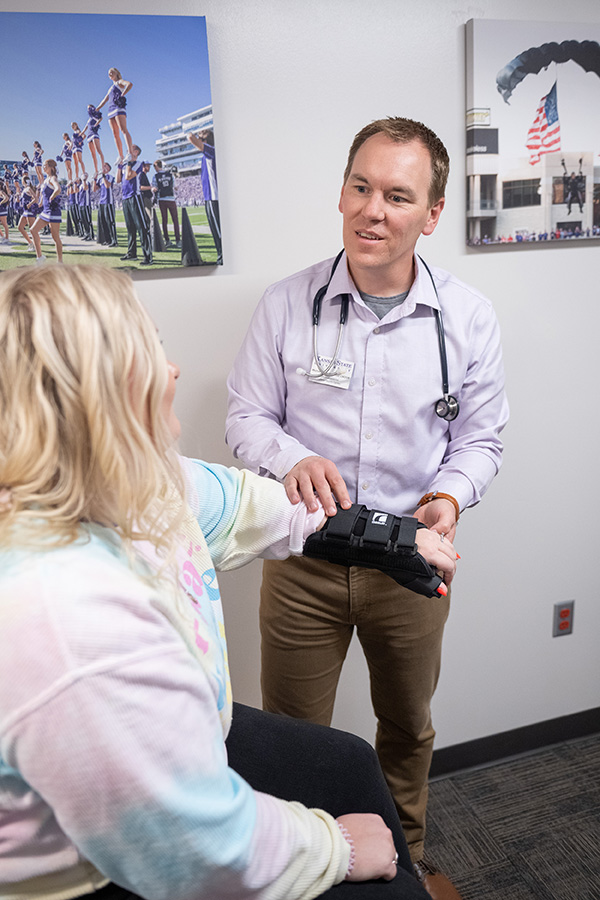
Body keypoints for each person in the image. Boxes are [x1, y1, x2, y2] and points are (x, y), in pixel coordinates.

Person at [0, 264, 454, 900]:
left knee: (349, 760)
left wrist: (385, 535)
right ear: (99, 389)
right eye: (151, 347)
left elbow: (247, 503)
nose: (174, 368)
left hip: (172, 755)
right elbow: (195, 850)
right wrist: (336, 848)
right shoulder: (66, 615)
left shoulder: (142, 478)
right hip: (94, 871)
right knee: (382, 889)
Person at [226, 116, 509, 900]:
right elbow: (247, 415)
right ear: (342, 190)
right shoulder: (289, 304)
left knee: (407, 730)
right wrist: (292, 458)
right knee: (296, 738)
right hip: (302, 564)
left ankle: (407, 867)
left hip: (411, 565)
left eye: (396, 195)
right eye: (360, 186)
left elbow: (482, 439)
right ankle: (309, 874)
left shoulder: (467, 319)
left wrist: (450, 495)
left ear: (433, 213)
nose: (371, 210)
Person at [186, 128, 222, 263]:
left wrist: (195, 134)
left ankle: (222, 256)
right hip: (209, 197)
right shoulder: (207, 154)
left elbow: (190, 137)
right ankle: (220, 256)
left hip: (214, 197)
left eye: (200, 140)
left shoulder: (211, 151)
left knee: (218, 232)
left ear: (205, 141)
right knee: (215, 230)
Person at [116, 144, 152, 265]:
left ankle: (148, 256)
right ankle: (132, 253)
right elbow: (118, 180)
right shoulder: (127, 165)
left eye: (130, 150)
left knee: (141, 227)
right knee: (130, 228)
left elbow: (128, 176)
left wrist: (128, 164)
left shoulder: (138, 163)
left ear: (136, 152)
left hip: (135, 197)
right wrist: (120, 166)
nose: (127, 152)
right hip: (125, 198)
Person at [96, 67, 134, 164]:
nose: (110, 74)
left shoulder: (119, 82)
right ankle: (120, 155)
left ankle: (129, 152)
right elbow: (104, 100)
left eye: (112, 72)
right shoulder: (110, 88)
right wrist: (97, 109)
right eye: (109, 74)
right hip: (110, 110)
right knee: (115, 134)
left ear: (117, 73)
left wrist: (123, 94)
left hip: (118, 108)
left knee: (123, 129)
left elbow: (129, 84)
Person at [30, 158, 62, 263]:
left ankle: (60, 262)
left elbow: (58, 189)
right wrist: (40, 202)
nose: (43, 167)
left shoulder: (53, 178)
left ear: (51, 167)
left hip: (53, 211)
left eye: (45, 166)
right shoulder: (45, 180)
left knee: (55, 237)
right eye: (43, 165)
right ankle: (40, 257)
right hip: (45, 211)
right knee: (33, 230)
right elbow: (44, 194)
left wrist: (52, 196)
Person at [152, 158, 181, 247]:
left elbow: (154, 188)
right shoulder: (170, 175)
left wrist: (154, 190)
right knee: (175, 220)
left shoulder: (155, 176)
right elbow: (175, 187)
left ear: (157, 166)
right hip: (171, 199)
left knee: (164, 220)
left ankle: (167, 240)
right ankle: (178, 240)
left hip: (162, 199)